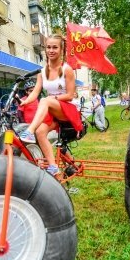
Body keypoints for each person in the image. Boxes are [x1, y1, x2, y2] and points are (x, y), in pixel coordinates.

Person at [19, 34, 83, 175]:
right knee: (40, 132)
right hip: (53, 111)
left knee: (45, 100)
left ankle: (28, 131)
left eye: (55, 47)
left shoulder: (67, 70)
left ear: (61, 50)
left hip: (67, 110)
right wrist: (25, 101)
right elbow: (35, 93)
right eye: (48, 47)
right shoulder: (42, 72)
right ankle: (53, 166)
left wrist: (53, 97)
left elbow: (70, 95)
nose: (51, 50)